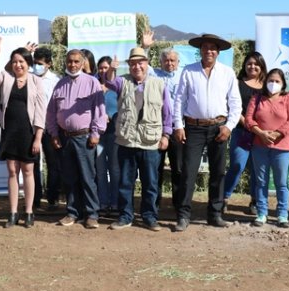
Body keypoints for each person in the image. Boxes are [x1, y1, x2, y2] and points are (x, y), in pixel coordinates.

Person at [172, 33, 242, 232]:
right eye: (205, 48)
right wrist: (178, 125)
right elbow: (179, 100)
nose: (209, 51)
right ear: (200, 51)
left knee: (218, 172)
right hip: (193, 127)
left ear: (218, 52)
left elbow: (235, 103)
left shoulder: (227, 73)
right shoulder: (189, 71)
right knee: (188, 172)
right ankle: (184, 215)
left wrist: (229, 126)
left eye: (213, 48)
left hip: (219, 127)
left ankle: (215, 214)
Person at [101, 47, 172, 231]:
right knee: (126, 182)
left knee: (151, 183)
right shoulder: (121, 82)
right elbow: (108, 82)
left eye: (140, 62)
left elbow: (167, 113)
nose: (137, 66)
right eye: (133, 63)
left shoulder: (159, 84)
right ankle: (126, 216)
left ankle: (149, 217)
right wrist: (111, 69)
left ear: (147, 64)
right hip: (127, 140)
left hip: (150, 142)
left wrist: (166, 135)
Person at [0, 38, 46, 228]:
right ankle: (13, 213)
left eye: (21, 61)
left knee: (28, 171)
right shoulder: (6, 78)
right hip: (9, 132)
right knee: (12, 171)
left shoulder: (36, 81)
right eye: (14, 61)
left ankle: (28, 212)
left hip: (28, 133)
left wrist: (38, 138)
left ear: (28, 63)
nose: (18, 65)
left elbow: (40, 112)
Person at [46, 49, 107, 229]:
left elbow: (99, 110)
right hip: (64, 138)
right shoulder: (59, 85)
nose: (72, 65)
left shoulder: (92, 83)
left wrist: (96, 133)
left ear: (82, 63)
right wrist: (54, 133)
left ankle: (91, 214)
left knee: (88, 177)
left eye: (76, 61)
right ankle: (72, 212)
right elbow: (51, 112)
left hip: (85, 137)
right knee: (69, 177)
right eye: (69, 61)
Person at [245, 68, 289, 228]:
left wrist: (276, 134)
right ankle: (262, 213)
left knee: (281, 182)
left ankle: (282, 214)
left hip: (282, 147)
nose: (273, 84)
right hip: (259, 146)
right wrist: (260, 133)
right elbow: (248, 119)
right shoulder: (257, 98)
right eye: (270, 80)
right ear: (265, 82)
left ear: (283, 84)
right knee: (261, 181)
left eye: (277, 81)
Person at [141, 30, 184, 212]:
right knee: (155, 169)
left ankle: (179, 206)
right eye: (166, 60)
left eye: (173, 60)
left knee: (179, 169)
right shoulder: (154, 74)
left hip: (178, 128)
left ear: (178, 62)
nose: (169, 63)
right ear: (161, 62)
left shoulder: (184, 76)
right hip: (157, 128)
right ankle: (154, 205)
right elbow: (141, 64)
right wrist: (145, 47)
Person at [223, 52, 266, 215]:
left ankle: (255, 201)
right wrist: (247, 123)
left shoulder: (268, 86)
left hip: (261, 134)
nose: (252, 67)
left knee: (258, 169)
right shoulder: (238, 83)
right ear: (244, 66)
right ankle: (224, 197)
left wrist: (260, 130)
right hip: (242, 131)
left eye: (256, 64)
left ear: (261, 66)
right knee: (237, 165)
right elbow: (233, 106)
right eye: (249, 64)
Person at [33, 47, 62, 209]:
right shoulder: (29, 77)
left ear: (49, 64)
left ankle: (53, 198)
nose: (37, 66)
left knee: (53, 164)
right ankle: (35, 199)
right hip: (33, 128)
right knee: (34, 163)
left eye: (41, 64)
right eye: (35, 63)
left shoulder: (56, 80)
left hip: (51, 128)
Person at [96, 55, 120, 213]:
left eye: (106, 67)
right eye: (101, 67)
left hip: (114, 132)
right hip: (97, 133)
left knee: (115, 167)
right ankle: (103, 202)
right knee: (100, 167)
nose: (103, 70)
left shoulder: (118, 86)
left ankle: (116, 202)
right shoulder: (93, 85)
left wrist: (111, 117)